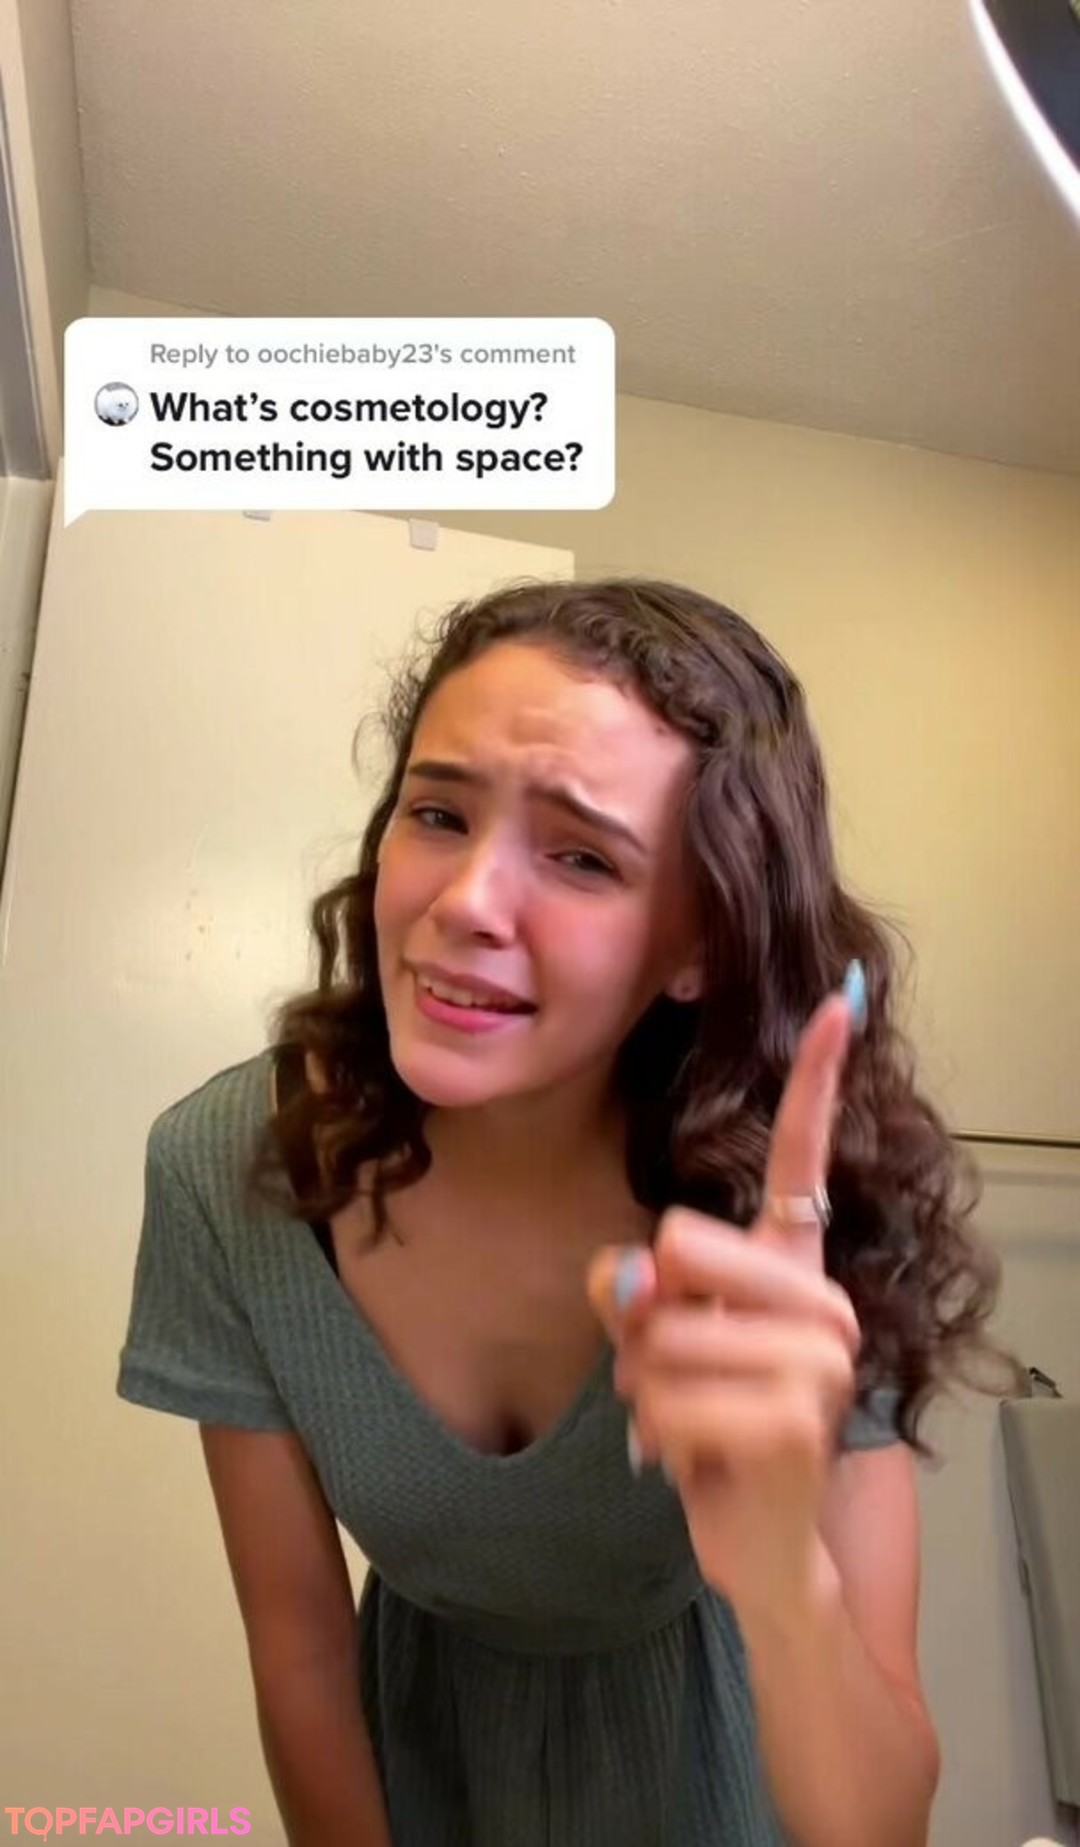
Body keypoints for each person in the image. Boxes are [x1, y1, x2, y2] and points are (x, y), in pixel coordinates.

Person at [116, 576, 1016, 1847]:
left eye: (583, 856)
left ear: (699, 942)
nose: (465, 902)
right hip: (419, 1766)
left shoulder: (803, 1218)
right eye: (438, 812)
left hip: (721, 1770)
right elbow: (302, 1659)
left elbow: (877, 1828)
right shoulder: (226, 1171)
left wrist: (780, 1573)